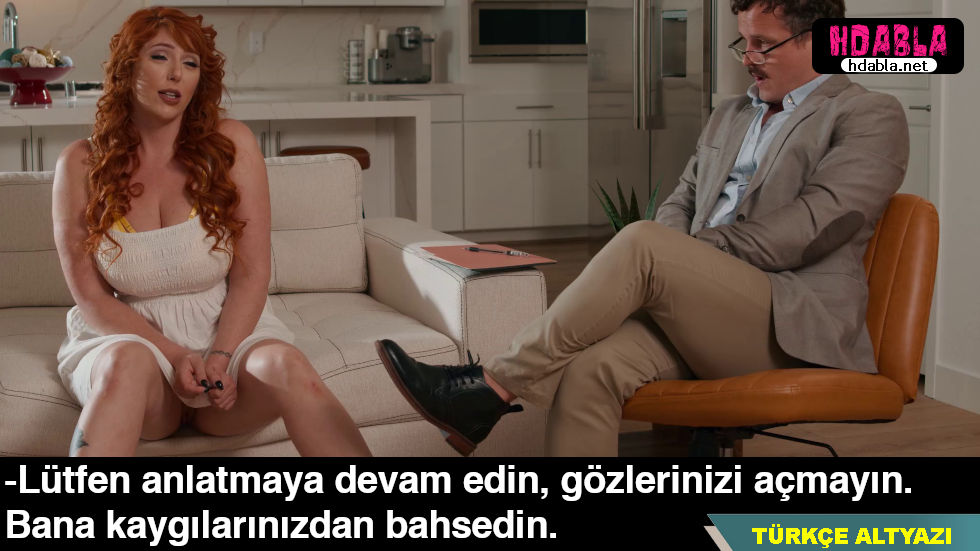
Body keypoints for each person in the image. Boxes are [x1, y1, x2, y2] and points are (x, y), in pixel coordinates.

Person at [376, 0, 910, 457]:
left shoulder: (868, 113)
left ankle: (488, 387)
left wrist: (688, 257)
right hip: (706, 309)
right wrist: (681, 261)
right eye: (743, 43)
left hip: (787, 325)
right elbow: (683, 196)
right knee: (591, 370)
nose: (748, 58)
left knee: (644, 241)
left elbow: (817, 223)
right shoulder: (732, 114)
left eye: (763, 45)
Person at [53, 7, 370, 457]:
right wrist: (176, 355)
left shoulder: (230, 145)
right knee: (125, 365)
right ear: (127, 67)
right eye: (160, 56)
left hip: (227, 335)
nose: (176, 74)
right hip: (132, 341)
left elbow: (251, 273)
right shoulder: (81, 164)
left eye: (190, 63)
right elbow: (91, 297)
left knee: (288, 365)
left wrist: (220, 355)